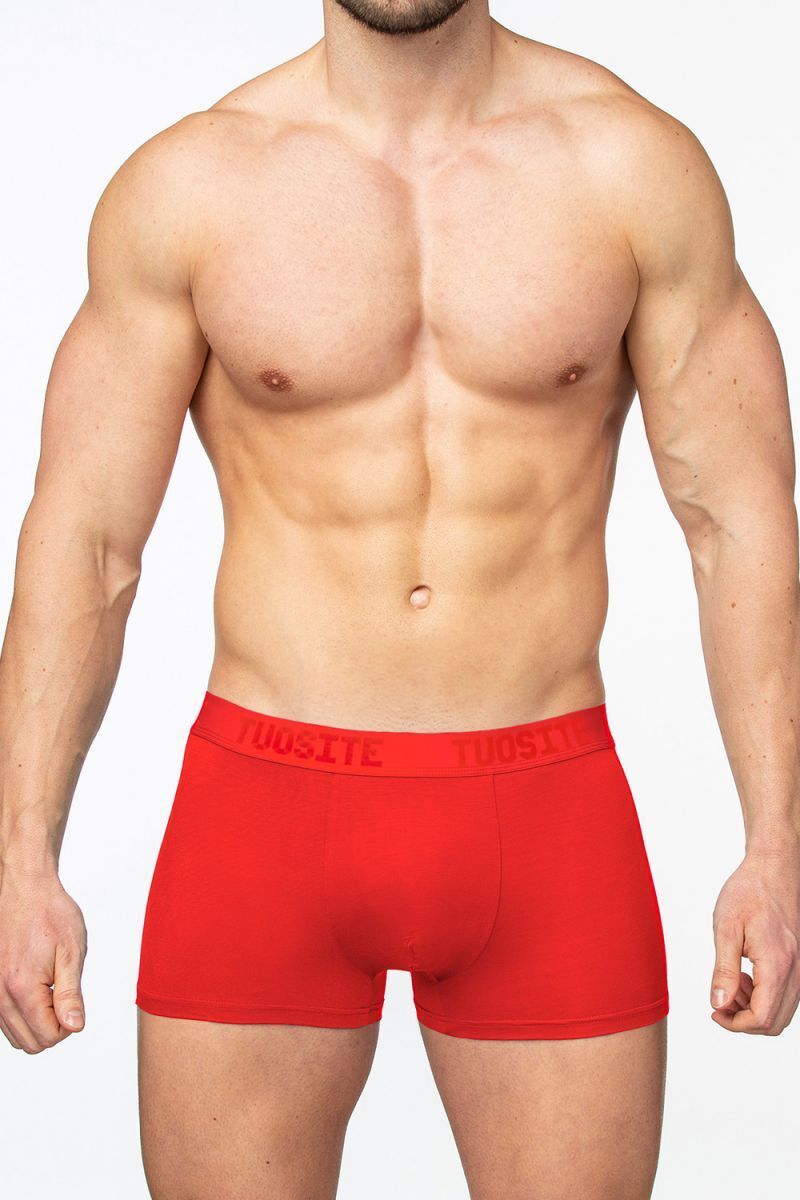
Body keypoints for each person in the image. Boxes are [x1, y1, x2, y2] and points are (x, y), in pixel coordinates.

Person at [1, 1, 798, 1197]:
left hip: (545, 813)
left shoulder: (631, 168)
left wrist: (776, 846)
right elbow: (88, 540)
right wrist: (20, 856)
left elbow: (735, 523)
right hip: (262, 814)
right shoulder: (192, 188)